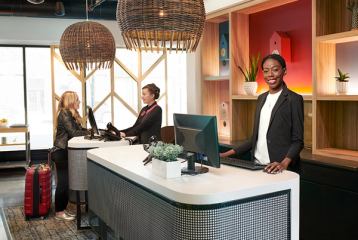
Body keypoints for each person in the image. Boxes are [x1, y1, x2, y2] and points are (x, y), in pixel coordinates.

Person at [220, 54, 304, 174]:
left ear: (284, 71)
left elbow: (298, 141)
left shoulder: (294, 99)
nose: (270, 74)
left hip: (279, 169)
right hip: (257, 166)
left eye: (275, 70)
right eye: (266, 71)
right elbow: (255, 138)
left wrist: (283, 163)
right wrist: (225, 154)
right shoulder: (261, 98)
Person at [52, 91, 89, 221]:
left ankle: (62, 210)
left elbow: (79, 130)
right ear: (71, 101)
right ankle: (59, 212)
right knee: (63, 183)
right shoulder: (64, 113)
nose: (79, 102)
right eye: (77, 100)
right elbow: (73, 133)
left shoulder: (70, 114)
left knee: (65, 182)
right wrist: (88, 133)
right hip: (61, 152)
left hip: (65, 152)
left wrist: (90, 132)